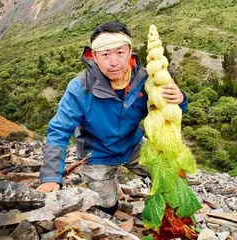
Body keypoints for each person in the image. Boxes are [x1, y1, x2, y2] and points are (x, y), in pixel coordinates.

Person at [36, 21, 187, 215]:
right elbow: (59, 131)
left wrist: (180, 100)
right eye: (105, 54)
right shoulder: (80, 88)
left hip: (133, 146)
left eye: (120, 52)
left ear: (130, 51)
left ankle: (169, 220)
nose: (114, 62)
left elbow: (169, 112)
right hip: (97, 153)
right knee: (105, 206)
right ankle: (111, 199)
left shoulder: (145, 79)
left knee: (172, 178)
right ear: (94, 56)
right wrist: (50, 177)